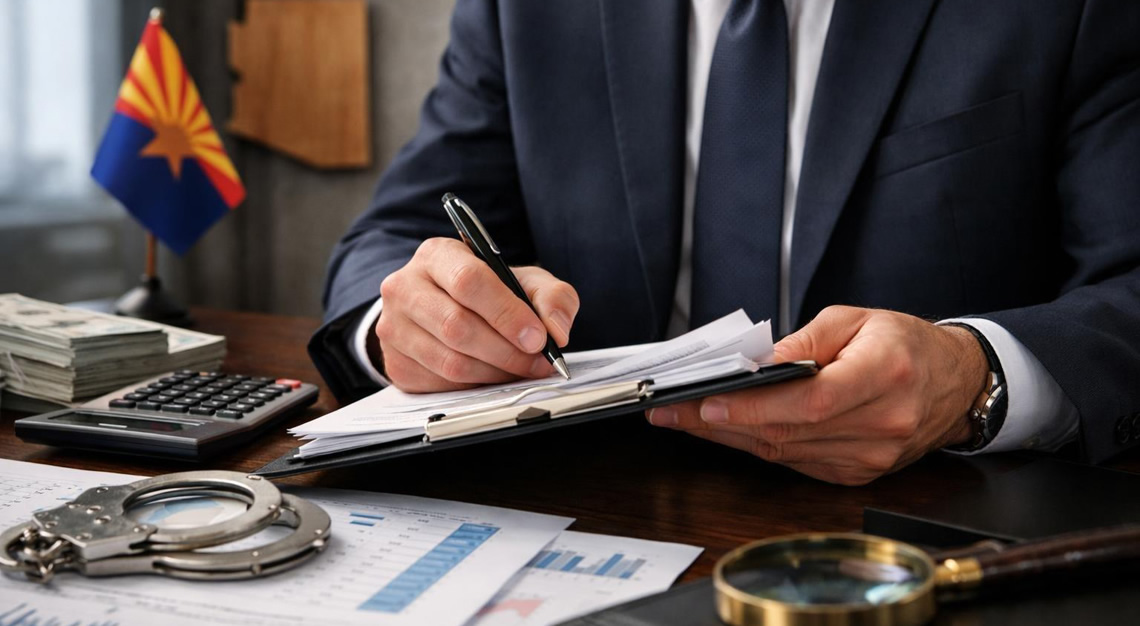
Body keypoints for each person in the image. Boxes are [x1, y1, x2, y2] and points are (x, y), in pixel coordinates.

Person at [309, 0, 1140, 485]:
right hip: (595, 507)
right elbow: (394, 236)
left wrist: (975, 378)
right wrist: (408, 327)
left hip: (933, 516)